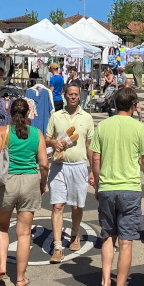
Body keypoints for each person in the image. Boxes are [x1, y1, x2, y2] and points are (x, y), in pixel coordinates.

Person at [90, 86, 144, 286]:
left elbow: (96, 159)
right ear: (134, 105)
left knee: (108, 237)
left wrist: (98, 185)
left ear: (115, 103)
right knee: (126, 242)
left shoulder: (103, 126)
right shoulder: (139, 127)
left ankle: (105, 284)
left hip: (107, 187)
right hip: (129, 189)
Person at [0, 97, 49, 286]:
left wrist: (4, 153)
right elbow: (44, 164)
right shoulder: (37, 134)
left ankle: (2, 266)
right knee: (24, 234)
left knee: (1, 227)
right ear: (28, 114)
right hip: (30, 181)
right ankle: (20, 279)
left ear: (10, 114)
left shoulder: (3, 131)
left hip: (8, 182)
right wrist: (42, 184)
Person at [46, 83, 94, 263]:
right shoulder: (56, 116)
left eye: (76, 94)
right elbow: (46, 137)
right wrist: (52, 143)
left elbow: (90, 146)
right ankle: (58, 247)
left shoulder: (87, 117)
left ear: (79, 96)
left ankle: (75, 233)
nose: (73, 97)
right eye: (70, 94)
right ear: (65, 95)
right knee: (58, 206)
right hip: (59, 166)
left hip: (79, 166)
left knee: (77, 206)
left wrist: (93, 170)